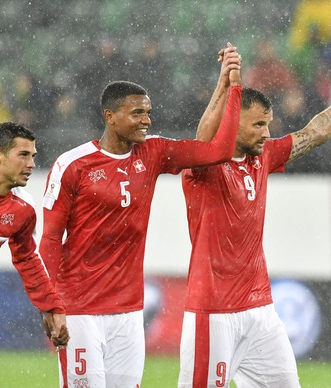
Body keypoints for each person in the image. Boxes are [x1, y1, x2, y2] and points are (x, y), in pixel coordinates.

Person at [179, 43, 331, 385]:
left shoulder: (262, 157)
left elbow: (315, 132)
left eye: (269, 124)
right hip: (214, 312)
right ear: (233, 125)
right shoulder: (204, 169)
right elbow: (205, 142)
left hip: (260, 310)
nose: (266, 133)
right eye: (258, 125)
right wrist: (225, 84)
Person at [38, 45, 242, 388]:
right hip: (79, 308)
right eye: (137, 113)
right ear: (110, 117)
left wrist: (229, 86)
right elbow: (49, 239)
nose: (146, 120)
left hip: (130, 313)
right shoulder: (73, 165)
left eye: (148, 112)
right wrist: (49, 306)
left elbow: (219, 151)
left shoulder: (154, 152)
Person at [0, 122, 69, 368]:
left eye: (33, 156)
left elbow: (27, 260)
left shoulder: (23, 210)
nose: (31, 164)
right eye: (23, 155)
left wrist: (52, 307)